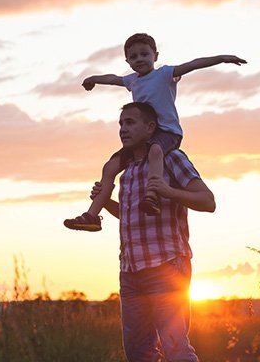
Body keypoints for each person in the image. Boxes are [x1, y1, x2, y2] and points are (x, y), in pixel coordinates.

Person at [63, 33, 243, 231]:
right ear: (128, 61)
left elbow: (193, 64)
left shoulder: (164, 74)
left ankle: (152, 196)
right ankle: (92, 215)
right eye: (133, 57)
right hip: (143, 138)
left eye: (144, 54)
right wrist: (93, 79)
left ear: (155, 56)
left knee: (156, 151)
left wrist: (222, 58)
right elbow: (113, 78)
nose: (139, 59)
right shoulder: (132, 81)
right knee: (110, 166)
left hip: (167, 132)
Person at [94, 102, 215, 362]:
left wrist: (167, 191)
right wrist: (104, 201)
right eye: (121, 124)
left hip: (167, 267)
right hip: (130, 272)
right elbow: (129, 215)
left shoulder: (171, 158)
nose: (123, 129)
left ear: (150, 128)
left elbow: (208, 201)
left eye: (130, 122)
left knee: (177, 350)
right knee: (139, 354)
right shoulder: (126, 172)